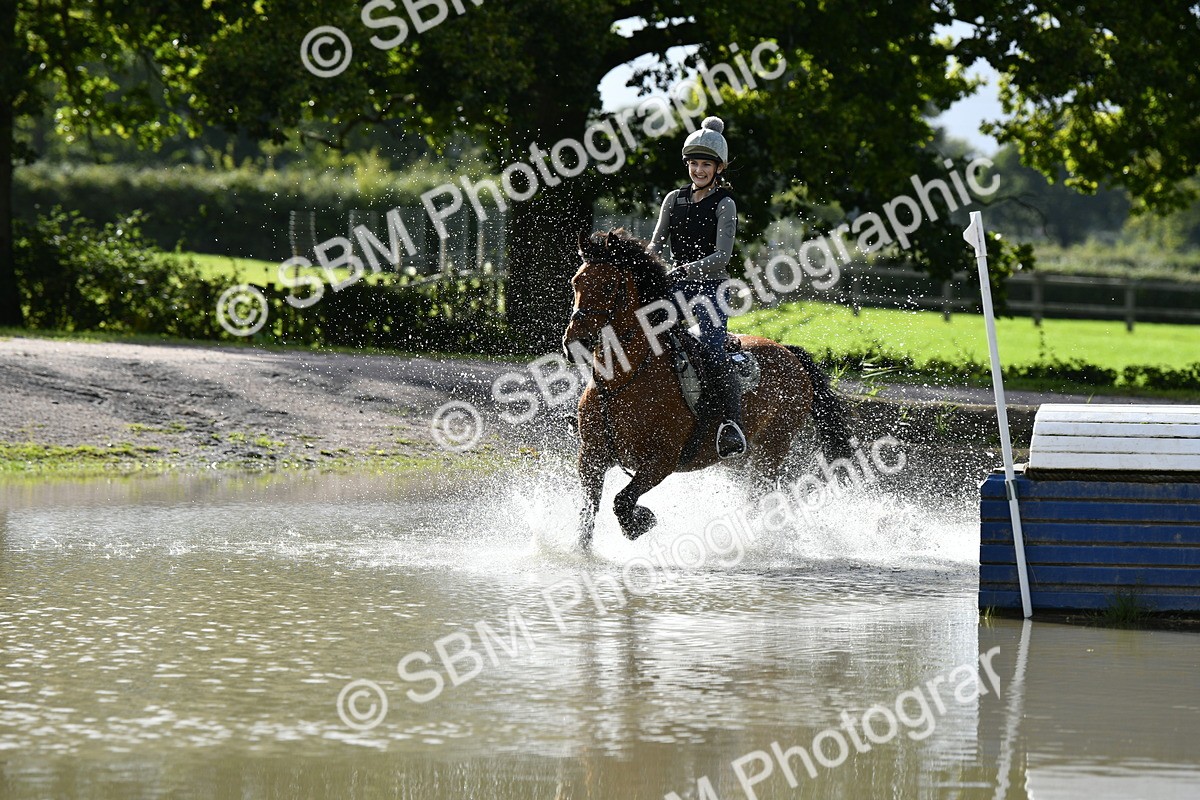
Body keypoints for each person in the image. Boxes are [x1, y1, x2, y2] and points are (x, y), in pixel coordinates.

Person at [647, 115, 747, 459]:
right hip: (677, 288)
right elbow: (656, 244)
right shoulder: (673, 200)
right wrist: (643, 267)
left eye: (706, 164)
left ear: (718, 168)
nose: (699, 170)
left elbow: (721, 257)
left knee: (714, 350)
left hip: (711, 290)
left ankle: (731, 425)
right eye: (694, 163)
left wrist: (682, 271)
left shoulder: (725, 203)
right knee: (638, 333)